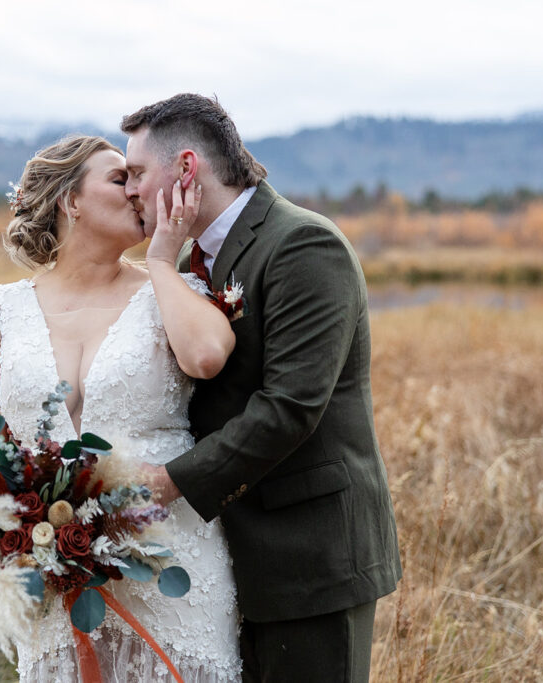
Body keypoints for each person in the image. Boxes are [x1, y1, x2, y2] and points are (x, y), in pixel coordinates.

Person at [123, 94, 402, 683]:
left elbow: (290, 408)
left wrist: (169, 483)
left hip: (311, 555)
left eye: (139, 174)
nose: (130, 191)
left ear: (186, 168)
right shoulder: (188, 262)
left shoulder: (303, 245)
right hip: (230, 558)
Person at [0, 134, 244, 682]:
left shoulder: (174, 290)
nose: (139, 191)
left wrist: (163, 258)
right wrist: (21, 532)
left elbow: (208, 356)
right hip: (51, 567)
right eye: (121, 179)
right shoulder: (2, 311)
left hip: (170, 559)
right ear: (71, 200)